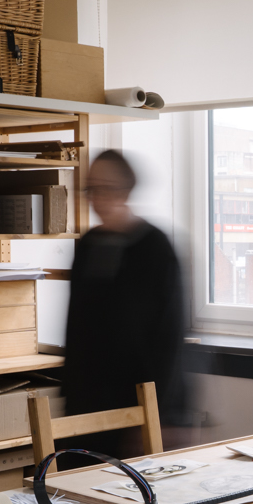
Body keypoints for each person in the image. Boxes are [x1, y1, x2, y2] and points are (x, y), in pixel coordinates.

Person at [59, 149, 188, 454]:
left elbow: (169, 336)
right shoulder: (88, 245)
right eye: (91, 189)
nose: (97, 198)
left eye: (107, 188)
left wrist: (160, 415)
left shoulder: (155, 246)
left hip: (141, 402)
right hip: (88, 402)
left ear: (127, 190)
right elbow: (76, 326)